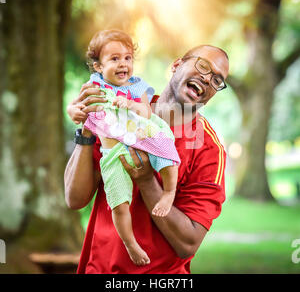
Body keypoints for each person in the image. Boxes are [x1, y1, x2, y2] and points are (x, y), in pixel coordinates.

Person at [64, 43, 229, 274]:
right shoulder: (118, 109)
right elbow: (74, 199)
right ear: (176, 65)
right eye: (203, 66)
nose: (207, 78)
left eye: (217, 80)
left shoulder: (209, 151)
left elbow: (188, 244)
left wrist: (146, 181)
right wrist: (88, 128)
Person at [73, 29, 180, 265]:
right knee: (118, 204)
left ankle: (169, 192)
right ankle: (130, 243)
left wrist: (130, 103)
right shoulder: (94, 86)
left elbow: (146, 111)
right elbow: (74, 106)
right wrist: (75, 112)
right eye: (114, 59)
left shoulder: (136, 86)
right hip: (113, 153)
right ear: (99, 67)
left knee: (167, 150)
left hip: (141, 136)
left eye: (128, 58)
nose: (123, 64)